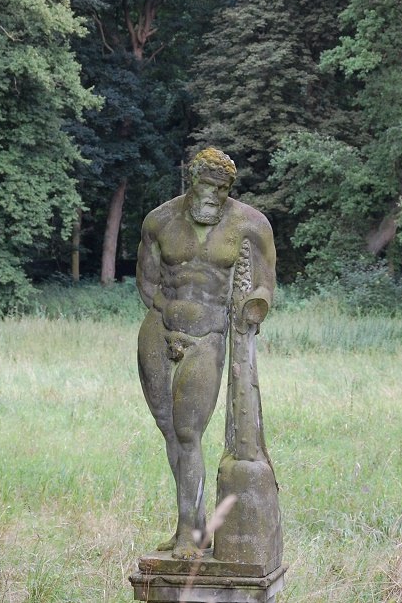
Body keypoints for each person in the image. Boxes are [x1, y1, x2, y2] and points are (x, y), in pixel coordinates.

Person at [136, 148, 276, 560]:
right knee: (170, 431)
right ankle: (194, 522)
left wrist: (255, 304)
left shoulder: (250, 224)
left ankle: (189, 535)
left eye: (220, 188)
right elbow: (146, 280)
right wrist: (168, 318)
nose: (211, 195)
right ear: (190, 181)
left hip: (209, 335)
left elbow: (266, 283)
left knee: (187, 432)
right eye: (204, 185)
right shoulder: (159, 220)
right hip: (158, 331)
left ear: (229, 189)